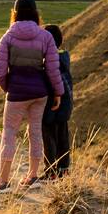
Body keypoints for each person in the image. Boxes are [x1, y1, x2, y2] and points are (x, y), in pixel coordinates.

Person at [0, 0, 63, 190]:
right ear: (36, 14)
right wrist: (58, 92)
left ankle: (3, 181)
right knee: (35, 131)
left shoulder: (8, 37)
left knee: (9, 133)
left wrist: (9, 87)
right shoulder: (45, 36)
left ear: (15, 13)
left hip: (16, 93)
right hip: (40, 93)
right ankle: (32, 176)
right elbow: (54, 69)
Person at [42, 24, 74, 178]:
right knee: (62, 136)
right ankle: (64, 169)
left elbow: (52, 81)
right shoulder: (64, 57)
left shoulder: (50, 59)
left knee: (49, 136)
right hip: (66, 102)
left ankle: (51, 172)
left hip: (52, 101)